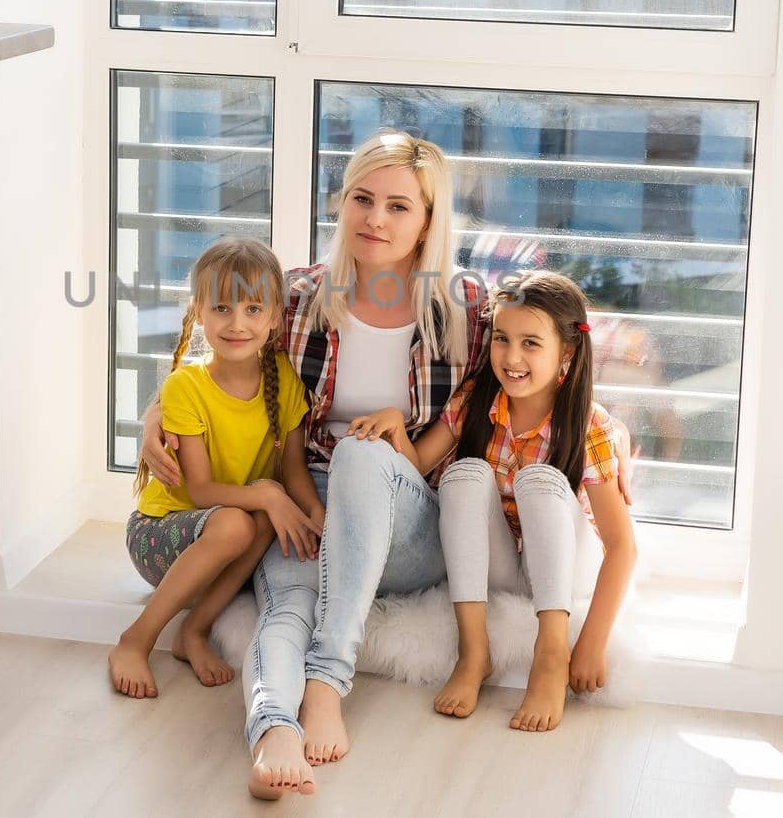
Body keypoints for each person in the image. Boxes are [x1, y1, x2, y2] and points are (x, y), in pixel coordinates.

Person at [138, 131, 635, 800]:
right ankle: (272, 731)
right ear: (341, 205)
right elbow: (218, 352)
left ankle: (326, 682)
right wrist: (153, 415)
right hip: (310, 493)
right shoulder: (300, 296)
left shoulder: (466, 306)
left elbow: (544, 360)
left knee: (363, 454)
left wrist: (612, 422)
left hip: (416, 518)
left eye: (399, 206)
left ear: (429, 219)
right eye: (362, 199)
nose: (376, 217)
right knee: (286, 603)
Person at [356, 270, 636, 731]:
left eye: (531, 343)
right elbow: (418, 467)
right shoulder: (475, 401)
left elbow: (623, 548)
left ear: (566, 352)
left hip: (565, 569)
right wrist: (392, 425)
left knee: (542, 480)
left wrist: (591, 641)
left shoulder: (590, 426)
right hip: (505, 569)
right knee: (464, 474)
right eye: (502, 339)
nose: (512, 357)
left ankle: (550, 656)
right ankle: (473, 653)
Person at [111, 237, 322, 724]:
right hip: (159, 536)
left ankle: (194, 632)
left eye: (253, 308)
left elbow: (292, 470)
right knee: (239, 522)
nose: (237, 323)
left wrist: (316, 514)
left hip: (227, 530)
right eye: (222, 307)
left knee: (259, 522)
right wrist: (266, 495)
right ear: (200, 312)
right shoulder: (187, 386)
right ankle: (135, 640)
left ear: (274, 320)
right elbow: (201, 492)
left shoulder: (285, 382)